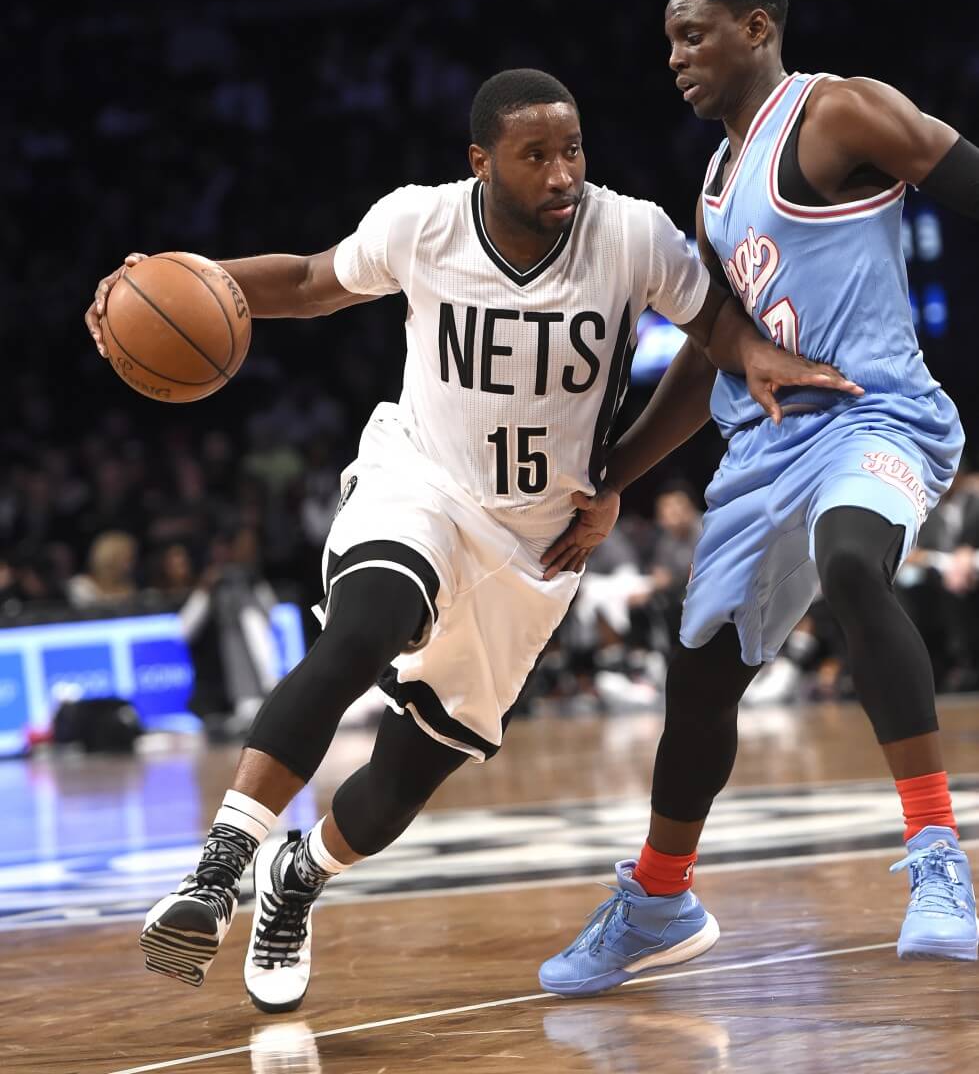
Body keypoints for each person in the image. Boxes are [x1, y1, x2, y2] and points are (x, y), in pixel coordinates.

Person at [85, 67, 857, 1013]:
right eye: (536, 155)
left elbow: (712, 337)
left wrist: (618, 474)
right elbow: (308, 282)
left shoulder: (633, 234)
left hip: (535, 545)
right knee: (363, 627)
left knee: (402, 782)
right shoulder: (422, 222)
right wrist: (174, 282)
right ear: (481, 162)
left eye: (572, 148)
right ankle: (218, 867)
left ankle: (297, 876)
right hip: (422, 485)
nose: (562, 172)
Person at [539, 0, 979, 998]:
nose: (675, 58)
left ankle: (937, 856)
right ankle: (656, 898)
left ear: (755, 26)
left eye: (692, 35)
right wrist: (612, 477)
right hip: (766, 450)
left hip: (875, 416)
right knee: (698, 679)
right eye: (667, 42)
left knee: (855, 562)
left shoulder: (837, 113)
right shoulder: (714, 185)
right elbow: (707, 359)